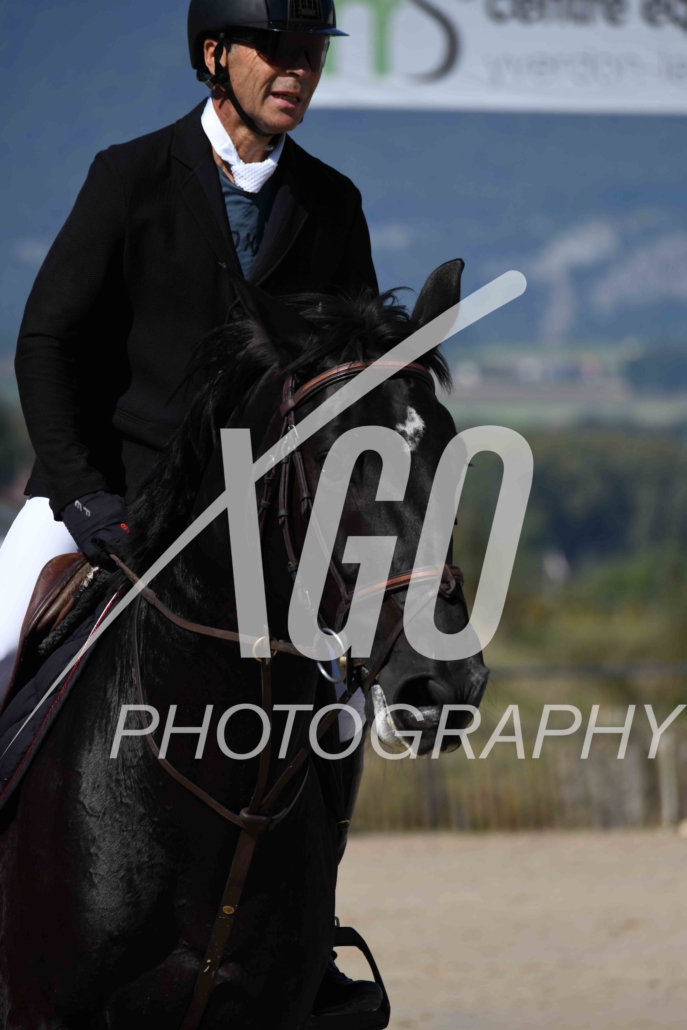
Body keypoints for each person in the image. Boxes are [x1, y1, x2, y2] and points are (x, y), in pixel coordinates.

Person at [0, 0, 380, 1015]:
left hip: (255, 534)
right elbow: (44, 343)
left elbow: (349, 382)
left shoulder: (331, 205)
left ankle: (305, 937)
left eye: (310, 53)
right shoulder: (130, 175)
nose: (297, 70)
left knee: (343, 705)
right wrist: (82, 493)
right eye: (277, 50)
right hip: (104, 498)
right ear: (215, 55)